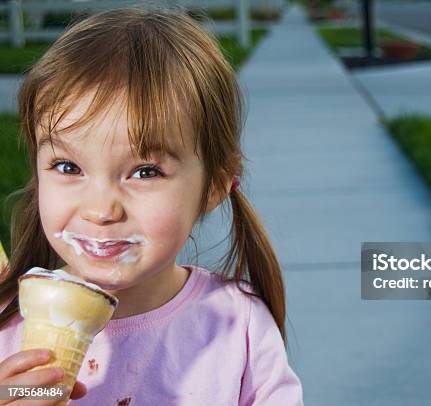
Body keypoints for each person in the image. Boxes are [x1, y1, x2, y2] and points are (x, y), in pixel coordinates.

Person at [0, 7, 304, 405]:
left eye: (145, 172)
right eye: (68, 166)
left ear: (214, 184)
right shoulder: (9, 326)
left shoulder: (236, 327)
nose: (101, 209)